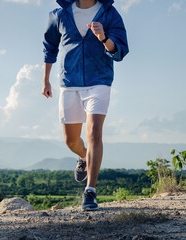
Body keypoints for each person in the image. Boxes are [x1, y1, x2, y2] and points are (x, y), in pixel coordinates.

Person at [42, 0, 128, 211]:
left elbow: (120, 50)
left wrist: (104, 38)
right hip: (69, 83)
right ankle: (83, 157)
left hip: (99, 80)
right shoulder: (60, 14)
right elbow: (50, 46)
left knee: (94, 132)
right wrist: (45, 79)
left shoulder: (109, 13)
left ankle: (90, 192)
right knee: (71, 141)